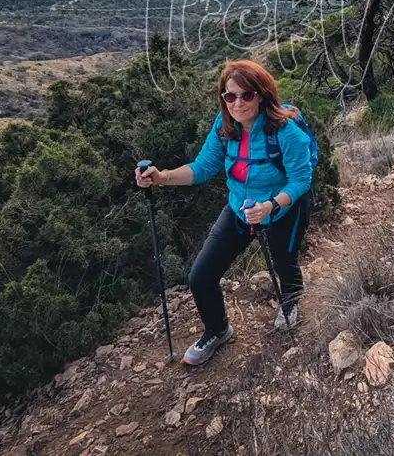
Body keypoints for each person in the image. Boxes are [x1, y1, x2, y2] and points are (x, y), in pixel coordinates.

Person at [135, 59, 315, 366]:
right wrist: (163, 177)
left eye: (247, 95)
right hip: (240, 208)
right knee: (200, 276)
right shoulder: (224, 127)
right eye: (230, 96)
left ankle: (290, 301)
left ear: (262, 96)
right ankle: (217, 330)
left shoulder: (286, 132)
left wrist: (271, 205)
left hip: (284, 209)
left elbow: (301, 179)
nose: (238, 103)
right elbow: (203, 167)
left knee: (284, 260)